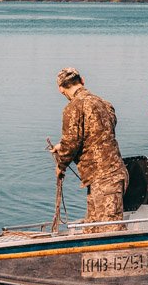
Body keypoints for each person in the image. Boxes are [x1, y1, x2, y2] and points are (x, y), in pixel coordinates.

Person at [52, 68, 129, 233]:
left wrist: (61, 165)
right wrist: (62, 145)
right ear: (82, 80)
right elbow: (97, 134)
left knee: (110, 231)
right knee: (93, 229)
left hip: (103, 178)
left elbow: (71, 142)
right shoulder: (105, 104)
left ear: (60, 88)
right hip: (108, 175)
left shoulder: (73, 108)